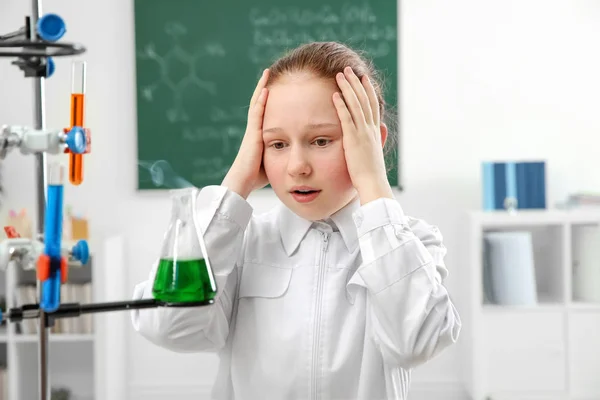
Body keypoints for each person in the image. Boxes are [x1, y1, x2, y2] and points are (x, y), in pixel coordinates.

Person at [131, 41, 461, 400]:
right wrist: (235, 185)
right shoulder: (240, 242)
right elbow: (168, 326)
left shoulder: (413, 241)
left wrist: (374, 184)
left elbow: (416, 342)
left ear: (372, 143)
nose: (296, 166)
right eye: (277, 144)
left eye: (321, 141)